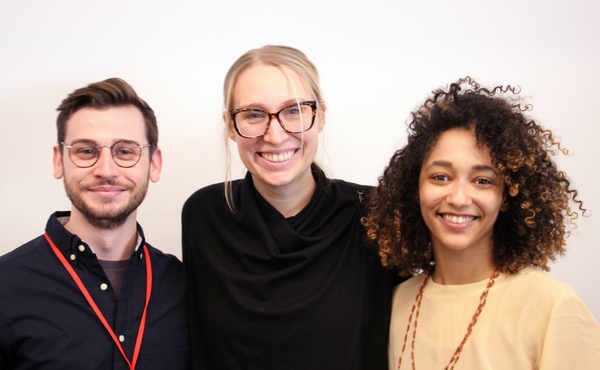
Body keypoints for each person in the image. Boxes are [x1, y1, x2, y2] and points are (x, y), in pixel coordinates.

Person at [182, 45, 398, 369]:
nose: (275, 134)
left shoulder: (376, 214)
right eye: (253, 114)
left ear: (321, 115)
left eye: (294, 110)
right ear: (230, 124)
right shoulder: (204, 216)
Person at [363, 77, 600, 369]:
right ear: (416, 188)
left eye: (483, 181)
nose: (459, 198)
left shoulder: (552, 306)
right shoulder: (396, 302)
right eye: (440, 177)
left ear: (507, 197)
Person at [0, 78, 189, 369]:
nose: (105, 170)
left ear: (154, 164)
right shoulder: (6, 285)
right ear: (58, 161)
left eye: (125, 151)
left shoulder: (187, 287)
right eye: (86, 151)